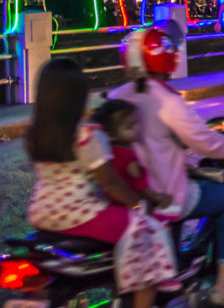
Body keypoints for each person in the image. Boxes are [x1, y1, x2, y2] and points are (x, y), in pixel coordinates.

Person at [110, 28, 224, 307]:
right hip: (165, 195)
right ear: (167, 59)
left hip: (127, 197)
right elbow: (210, 144)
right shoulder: (167, 101)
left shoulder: (117, 96)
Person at [26, 59, 176, 308]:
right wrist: (140, 206)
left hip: (41, 212)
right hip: (79, 213)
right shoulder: (88, 136)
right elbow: (112, 184)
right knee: (149, 231)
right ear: (79, 95)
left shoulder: (34, 134)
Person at [91, 98, 173, 213]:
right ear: (111, 135)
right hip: (134, 204)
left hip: (113, 205)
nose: (137, 128)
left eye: (137, 122)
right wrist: (158, 198)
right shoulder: (127, 155)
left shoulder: (104, 152)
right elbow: (140, 185)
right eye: (129, 127)